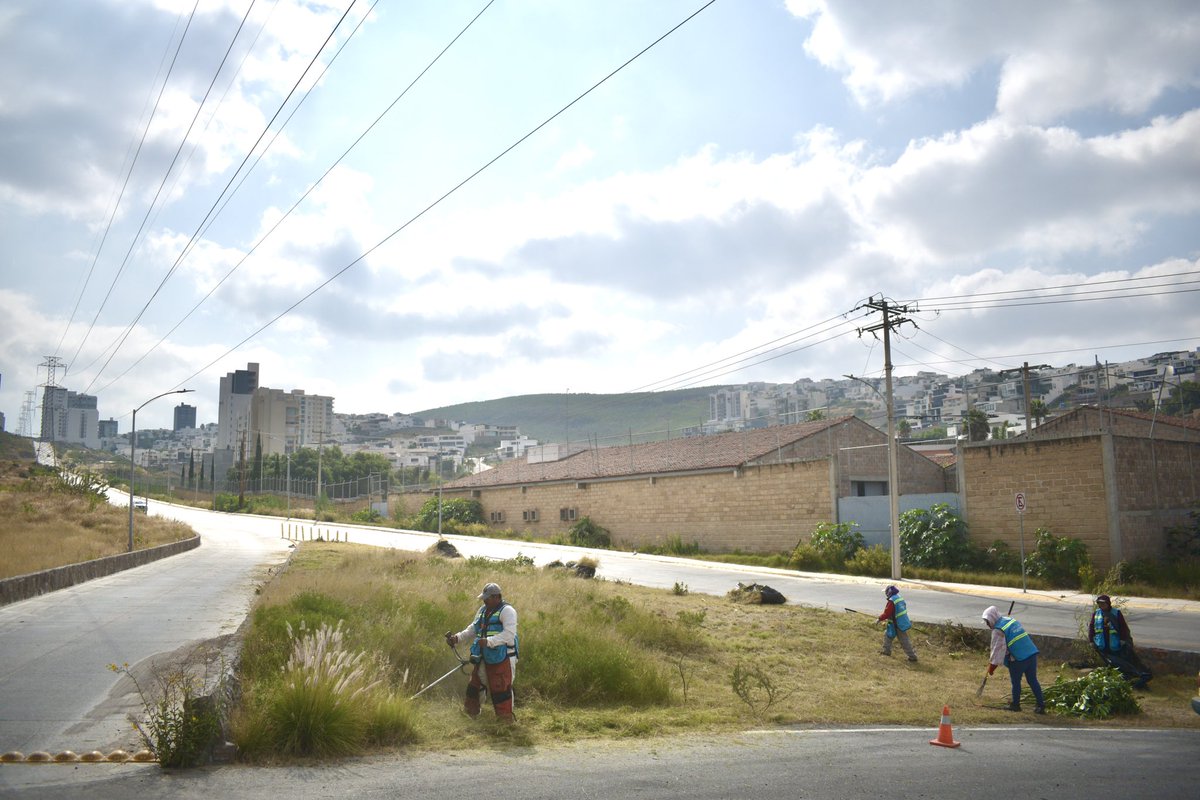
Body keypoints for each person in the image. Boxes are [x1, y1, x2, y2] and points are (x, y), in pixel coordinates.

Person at [445, 582, 519, 721]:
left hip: (504, 656)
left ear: (497, 597)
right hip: (484, 654)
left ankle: (506, 721)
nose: (484, 601)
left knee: (502, 688)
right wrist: (457, 638)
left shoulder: (508, 611)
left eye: (487, 598)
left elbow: (509, 634)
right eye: (484, 598)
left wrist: (489, 641)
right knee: (476, 683)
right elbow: (473, 628)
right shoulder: (483, 610)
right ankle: (471, 713)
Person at [982, 605, 1045, 714]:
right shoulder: (1009, 620)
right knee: (1032, 680)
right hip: (1031, 653)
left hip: (1019, 659)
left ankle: (1015, 705)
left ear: (992, 618)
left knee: (1016, 682)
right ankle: (1041, 705)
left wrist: (991, 669)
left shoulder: (998, 631)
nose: (987, 625)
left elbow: (997, 653)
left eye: (988, 621)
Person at [1091, 594, 1152, 688]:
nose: (1101, 605)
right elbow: (1092, 628)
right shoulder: (1096, 614)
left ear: (1108, 604)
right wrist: (1091, 640)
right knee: (1110, 663)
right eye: (1100, 604)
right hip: (1102, 645)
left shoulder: (1116, 613)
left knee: (1120, 663)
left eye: (1103, 604)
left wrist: (1123, 640)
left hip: (1115, 645)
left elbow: (1123, 627)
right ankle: (1112, 679)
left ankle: (1129, 679)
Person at [877, 585, 918, 662]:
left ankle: (912, 657)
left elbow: (887, 613)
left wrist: (879, 619)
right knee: (888, 635)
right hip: (901, 622)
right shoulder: (899, 597)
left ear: (889, 592)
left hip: (897, 624)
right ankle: (886, 651)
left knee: (904, 641)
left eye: (886, 592)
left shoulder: (891, 601)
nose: (885, 594)